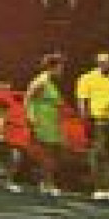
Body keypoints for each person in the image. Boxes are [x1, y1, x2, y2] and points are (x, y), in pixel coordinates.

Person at [75, 51, 109, 200]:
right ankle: (98, 187)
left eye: (107, 61)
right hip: (98, 120)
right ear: (97, 63)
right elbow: (81, 100)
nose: (104, 64)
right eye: (101, 62)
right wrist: (85, 119)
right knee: (98, 154)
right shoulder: (87, 78)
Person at [24, 52, 67, 196]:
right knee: (47, 153)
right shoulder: (41, 81)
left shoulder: (51, 82)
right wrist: (31, 118)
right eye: (60, 67)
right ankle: (47, 183)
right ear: (52, 67)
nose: (62, 70)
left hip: (52, 120)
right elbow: (28, 99)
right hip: (42, 119)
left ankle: (46, 181)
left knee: (53, 153)